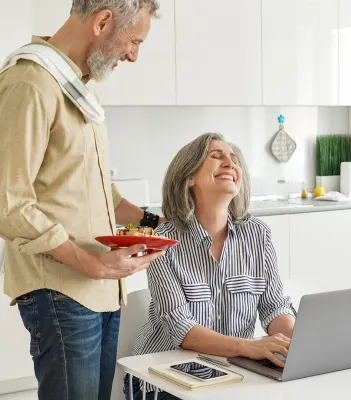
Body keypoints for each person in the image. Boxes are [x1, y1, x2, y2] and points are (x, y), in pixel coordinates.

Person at [0, 1, 164, 399]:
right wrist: (89, 263)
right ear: (103, 20)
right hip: (63, 291)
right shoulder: (31, 83)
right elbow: (9, 203)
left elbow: (100, 192)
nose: (133, 55)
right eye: (133, 41)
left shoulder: (78, 88)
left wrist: (155, 222)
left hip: (102, 290)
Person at [126, 133, 296, 399]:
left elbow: (274, 307)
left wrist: (299, 341)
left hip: (230, 374)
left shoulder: (258, 235)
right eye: (216, 157)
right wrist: (250, 347)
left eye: (234, 159)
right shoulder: (163, 242)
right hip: (163, 379)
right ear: (189, 177)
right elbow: (182, 330)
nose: (230, 163)